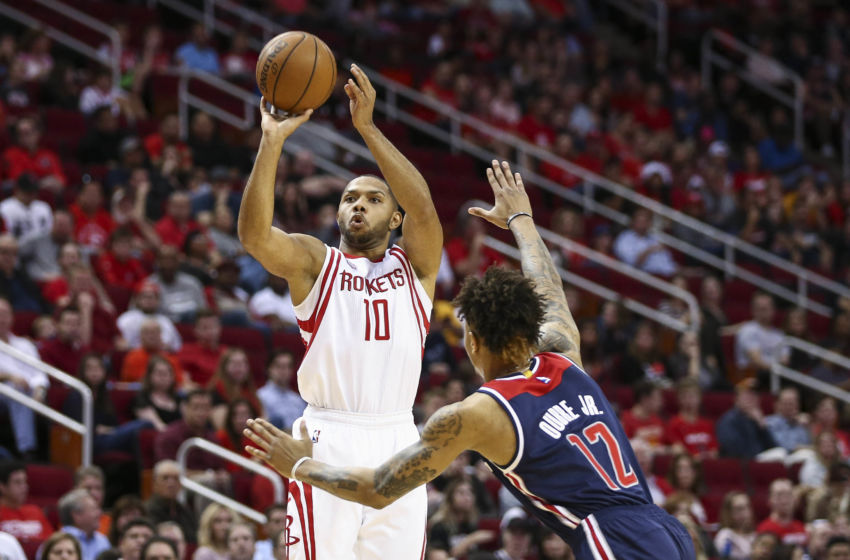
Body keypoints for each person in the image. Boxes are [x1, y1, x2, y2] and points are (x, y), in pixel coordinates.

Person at [244, 161, 694, 559]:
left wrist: (297, 465)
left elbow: (380, 489)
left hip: (610, 538)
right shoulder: (564, 359)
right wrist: (522, 221)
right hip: (662, 527)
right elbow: (550, 293)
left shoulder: (479, 412)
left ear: (473, 342)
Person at [237, 64, 443, 560]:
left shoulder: (415, 266)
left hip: (399, 436)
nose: (358, 205)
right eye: (349, 198)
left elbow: (425, 209)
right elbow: (255, 238)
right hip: (330, 435)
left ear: (394, 217)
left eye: (373, 199)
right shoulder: (316, 262)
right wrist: (272, 142)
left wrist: (367, 128)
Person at [0, 297, 46, 458]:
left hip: (29, 391)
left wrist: (40, 390)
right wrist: (9, 376)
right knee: (17, 392)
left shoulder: (24, 344)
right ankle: (26, 451)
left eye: (5, 314)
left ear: (12, 317)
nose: (2, 319)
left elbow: (39, 372)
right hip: (5, 392)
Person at [716, 378, 777, 459]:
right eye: (747, 394)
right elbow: (736, 450)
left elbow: (773, 447)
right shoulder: (728, 420)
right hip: (740, 466)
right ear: (736, 399)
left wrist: (762, 425)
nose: (752, 398)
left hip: (760, 464)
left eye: (755, 394)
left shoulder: (758, 419)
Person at [0, 460, 53, 542]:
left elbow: (51, 542)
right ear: (2, 486)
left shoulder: (35, 511)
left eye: (25, 481)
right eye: (17, 482)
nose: (24, 487)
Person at [146, 461, 197, 545]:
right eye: (165, 478)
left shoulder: (185, 510)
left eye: (175, 478)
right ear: (154, 483)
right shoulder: (147, 510)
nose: (171, 483)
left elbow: (193, 538)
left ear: (181, 484)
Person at [256, 350, 306, 432]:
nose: (284, 371)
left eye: (288, 366)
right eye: (279, 366)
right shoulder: (260, 396)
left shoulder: (298, 399)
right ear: (269, 368)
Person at [57, 488, 110, 560]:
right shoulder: (56, 543)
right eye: (94, 509)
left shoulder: (102, 540)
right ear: (77, 515)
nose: (100, 513)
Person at [756, 478, 806, 546]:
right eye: (779, 495)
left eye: (788, 495)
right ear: (770, 500)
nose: (784, 500)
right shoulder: (764, 530)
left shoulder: (801, 527)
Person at [764, 387, 812, 454]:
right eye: (786, 403)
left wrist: (808, 428)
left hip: (801, 457)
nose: (789, 407)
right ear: (778, 405)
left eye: (792, 403)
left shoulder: (801, 423)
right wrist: (801, 448)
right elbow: (783, 446)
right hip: (779, 458)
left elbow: (812, 445)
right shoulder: (770, 422)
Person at [713, 491, 756, 560]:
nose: (746, 512)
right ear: (729, 513)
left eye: (748, 506)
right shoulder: (725, 536)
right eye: (739, 509)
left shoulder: (755, 535)